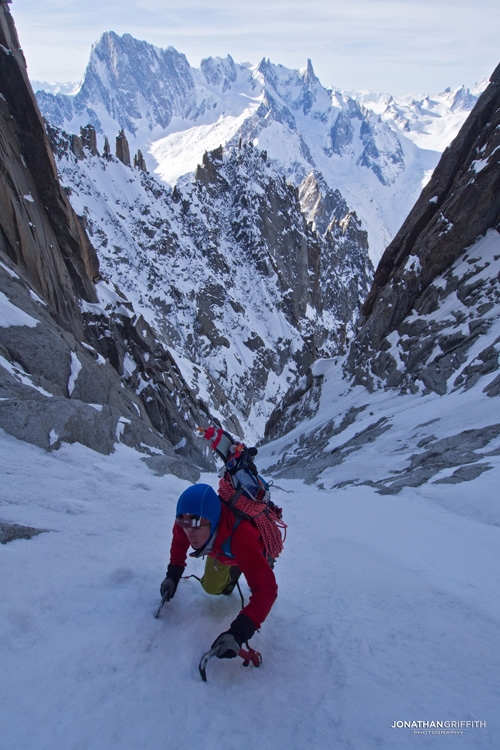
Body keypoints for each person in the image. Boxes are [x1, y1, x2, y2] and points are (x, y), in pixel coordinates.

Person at [160, 483, 278, 659]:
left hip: (248, 549)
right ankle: (234, 573)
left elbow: (266, 590)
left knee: (258, 575)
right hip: (221, 550)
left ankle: (262, 562)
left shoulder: (241, 537)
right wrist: (173, 575)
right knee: (212, 588)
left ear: (213, 521)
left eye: (196, 528)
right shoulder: (189, 520)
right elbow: (179, 543)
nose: (189, 534)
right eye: (184, 526)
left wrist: (238, 633)